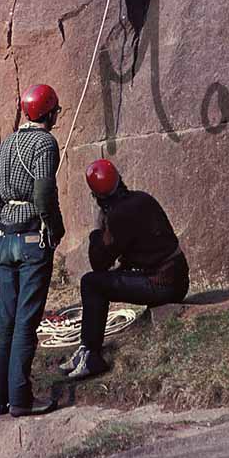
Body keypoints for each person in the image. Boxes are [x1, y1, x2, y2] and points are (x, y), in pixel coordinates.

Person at [60, 159, 189, 380]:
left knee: (91, 283)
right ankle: (86, 349)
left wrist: (96, 228)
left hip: (162, 284)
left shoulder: (119, 215)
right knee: (98, 281)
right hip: (175, 278)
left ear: (97, 197)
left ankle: (91, 355)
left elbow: (98, 263)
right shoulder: (142, 198)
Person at [0, 83, 65, 417]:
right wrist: (55, 230)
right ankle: (21, 399)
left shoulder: (6, 144)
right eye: (56, 110)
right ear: (48, 112)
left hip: (6, 239)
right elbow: (44, 192)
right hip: (32, 240)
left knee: (6, 321)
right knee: (26, 324)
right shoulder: (45, 142)